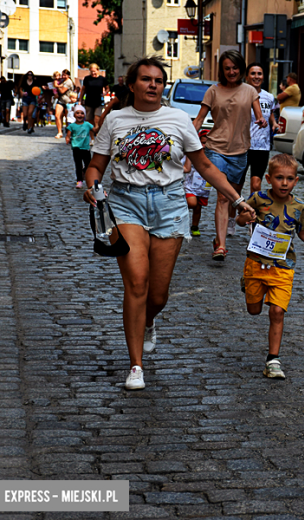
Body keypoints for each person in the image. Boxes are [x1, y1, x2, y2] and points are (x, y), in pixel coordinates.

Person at [83, 56, 256, 391]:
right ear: (132, 85)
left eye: (158, 80)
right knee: (137, 282)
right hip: (125, 203)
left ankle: (149, 320)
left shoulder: (177, 119)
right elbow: (96, 165)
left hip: (169, 204)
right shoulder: (116, 120)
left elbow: (204, 165)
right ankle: (136, 365)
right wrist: (93, 186)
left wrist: (237, 200)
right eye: (145, 79)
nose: (152, 85)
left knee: (158, 295)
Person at [235, 154, 304, 379]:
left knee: (277, 311)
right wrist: (245, 218)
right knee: (254, 310)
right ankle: (248, 284)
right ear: (269, 179)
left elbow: (303, 233)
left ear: (296, 181)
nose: (284, 183)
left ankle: (273, 359)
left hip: (283, 267)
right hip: (256, 264)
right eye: (279, 178)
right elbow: (239, 220)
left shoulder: (298, 207)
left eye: (289, 179)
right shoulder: (258, 199)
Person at [192, 50, 266, 261]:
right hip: (216, 149)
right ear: (222, 70)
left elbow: (258, 114)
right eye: (227, 68)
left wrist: (261, 120)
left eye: (235, 68)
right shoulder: (213, 91)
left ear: (240, 69)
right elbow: (199, 119)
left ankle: (220, 238)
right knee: (223, 196)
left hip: (240, 152)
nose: (231, 72)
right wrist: (187, 135)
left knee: (233, 195)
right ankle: (221, 245)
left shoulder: (250, 91)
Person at [243, 63, 280, 195]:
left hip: (262, 147)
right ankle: (232, 215)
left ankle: (252, 213)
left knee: (256, 184)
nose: (256, 76)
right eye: (253, 73)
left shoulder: (269, 97)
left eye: (259, 73)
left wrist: (274, 123)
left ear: (263, 77)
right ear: (246, 77)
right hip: (243, 146)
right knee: (237, 184)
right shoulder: (241, 95)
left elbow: (269, 112)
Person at [183, 129, 211, 236]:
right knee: (192, 203)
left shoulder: (212, 156)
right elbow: (184, 166)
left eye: (206, 144)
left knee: (198, 208)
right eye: (202, 143)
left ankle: (195, 226)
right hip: (190, 185)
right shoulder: (193, 153)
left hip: (204, 187)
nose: (204, 146)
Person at [66, 104, 93, 189]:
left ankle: (83, 172)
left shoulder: (87, 124)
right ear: (74, 115)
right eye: (77, 113)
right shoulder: (72, 126)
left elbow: (95, 130)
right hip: (76, 148)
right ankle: (79, 181)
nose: (80, 115)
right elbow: (68, 134)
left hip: (86, 148)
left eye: (82, 113)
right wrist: (67, 138)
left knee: (88, 165)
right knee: (78, 165)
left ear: (84, 115)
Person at [54, 69, 75, 138]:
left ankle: (69, 132)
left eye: (65, 75)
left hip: (68, 102)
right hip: (60, 100)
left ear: (68, 75)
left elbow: (62, 91)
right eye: (62, 75)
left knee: (68, 118)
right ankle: (59, 132)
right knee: (57, 115)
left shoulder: (68, 82)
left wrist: (56, 86)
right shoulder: (62, 81)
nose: (63, 76)